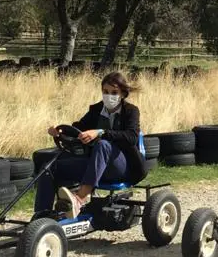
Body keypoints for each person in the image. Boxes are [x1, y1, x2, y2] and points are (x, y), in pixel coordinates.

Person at [34, 71, 146, 217]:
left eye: (114, 92)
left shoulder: (131, 111)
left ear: (123, 94)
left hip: (121, 166)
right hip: (94, 164)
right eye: (105, 91)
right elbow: (79, 128)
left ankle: (79, 199)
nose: (109, 96)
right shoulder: (96, 110)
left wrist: (100, 132)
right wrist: (60, 132)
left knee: (103, 145)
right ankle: (42, 214)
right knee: (49, 167)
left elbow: (132, 137)